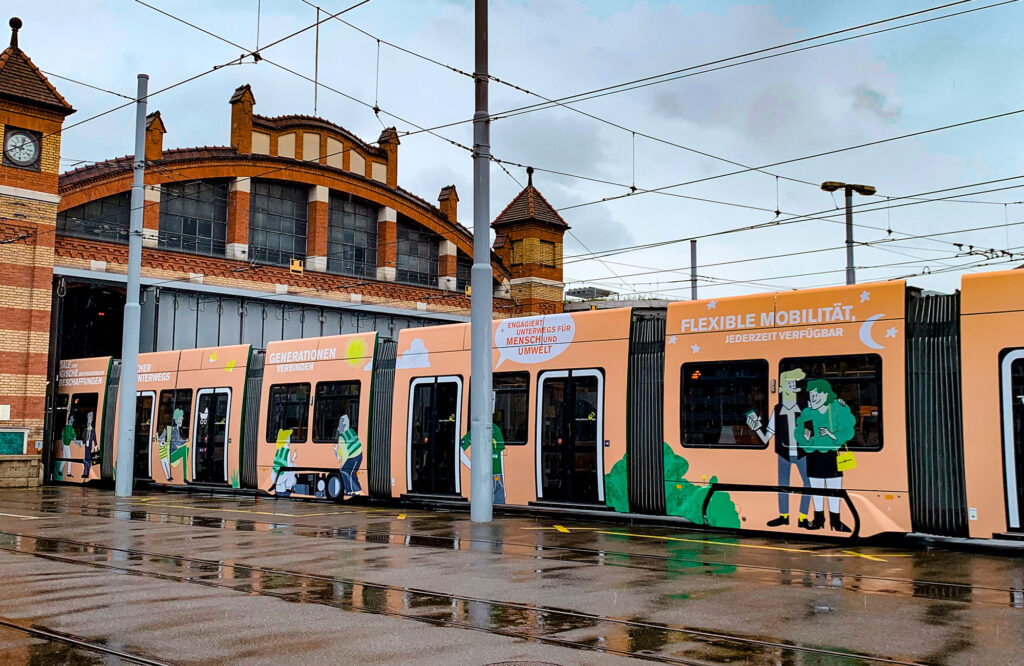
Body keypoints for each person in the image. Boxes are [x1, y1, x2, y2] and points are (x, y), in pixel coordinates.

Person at [747, 368, 812, 528]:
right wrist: (756, 428)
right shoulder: (778, 410)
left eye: (794, 384)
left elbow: (810, 431)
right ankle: (784, 516)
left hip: (802, 453)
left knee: (808, 484)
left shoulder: (804, 409)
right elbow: (767, 437)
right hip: (783, 453)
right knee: (783, 485)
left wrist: (807, 437)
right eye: (790, 384)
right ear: (782, 388)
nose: (794, 387)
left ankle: (803, 517)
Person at [795, 379, 857, 532]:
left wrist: (831, 434)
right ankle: (818, 520)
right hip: (814, 456)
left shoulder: (837, 408)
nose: (813, 398)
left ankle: (836, 521)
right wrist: (806, 437)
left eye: (816, 394)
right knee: (816, 490)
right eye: (811, 395)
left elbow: (848, 430)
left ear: (825, 394)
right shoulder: (808, 413)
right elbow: (801, 435)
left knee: (834, 489)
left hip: (831, 455)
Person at [459, 423, 506, 504]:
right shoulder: (496, 429)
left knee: (483, 507)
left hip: (485, 475)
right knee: (499, 509)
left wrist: (473, 467)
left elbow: (459, 451)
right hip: (497, 476)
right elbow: (501, 455)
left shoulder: (476, 429)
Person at [156, 408, 190, 482]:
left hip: (172, 452)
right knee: (185, 450)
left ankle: (184, 476)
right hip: (170, 453)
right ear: (176, 419)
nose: (182, 419)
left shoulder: (177, 429)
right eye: (181, 418)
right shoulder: (172, 429)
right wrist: (186, 440)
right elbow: (177, 442)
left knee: (185, 450)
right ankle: (185, 477)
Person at [332, 415, 363, 496]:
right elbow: (345, 451)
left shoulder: (342, 438)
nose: (338, 428)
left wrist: (342, 464)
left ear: (344, 425)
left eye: (340, 425)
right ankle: (354, 490)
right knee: (352, 472)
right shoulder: (351, 431)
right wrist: (337, 451)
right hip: (359, 455)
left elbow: (345, 454)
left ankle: (353, 490)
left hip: (353, 456)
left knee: (344, 470)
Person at [79, 411, 97, 478]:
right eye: (89, 418)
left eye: (91, 419)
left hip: (90, 445)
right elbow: (84, 438)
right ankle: (85, 471)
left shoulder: (92, 430)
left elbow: (94, 438)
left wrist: (95, 445)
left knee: (89, 459)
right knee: (86, 459)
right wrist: (82, 443)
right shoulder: (86, 429)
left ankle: (87, 472)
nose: (90, 420)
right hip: (86, 446)